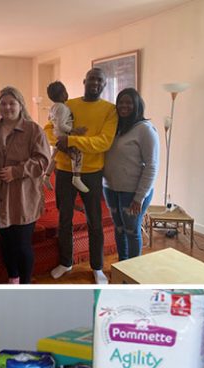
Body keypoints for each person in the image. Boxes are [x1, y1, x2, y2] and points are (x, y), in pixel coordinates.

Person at [45, 68, 117, 284]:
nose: (95, 82)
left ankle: (97, 267)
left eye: (100, 80)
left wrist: (73, 141)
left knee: (94, 221)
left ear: (104, 85)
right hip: (65, 171)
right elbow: (49, 127)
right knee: (64, 219)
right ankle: (66, 262)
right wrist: (58, 141)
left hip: (92, 173)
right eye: (92, 79)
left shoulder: (109, 110)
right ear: (85, 80)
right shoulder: (69, 104)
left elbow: (104, 142)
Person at [0, 87, 50, 284]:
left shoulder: (33, 130)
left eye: (12, 103)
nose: (7, 107)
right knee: (6, 243)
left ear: (20, 105)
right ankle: (13, 278)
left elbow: (43, 161)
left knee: (22, 245)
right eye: (3, 103)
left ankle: (25, 284)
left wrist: (16, 171)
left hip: (23, 198)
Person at [103, 88, 159, 261]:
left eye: (128, 102)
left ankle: (134, 272)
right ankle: (122, 266)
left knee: (131, 231)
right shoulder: (115, 127)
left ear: (137, 106)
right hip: (110, 188)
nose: (124, 106)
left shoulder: (145, 130)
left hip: (133, 192)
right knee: (118, 229)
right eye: (120, 102)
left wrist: (139, 197)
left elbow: (152, 165)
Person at [44, 81, 88, 192]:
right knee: (77, 154)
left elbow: (51, 120)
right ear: (63, 94)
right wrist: (74, 130)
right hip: (63, 136)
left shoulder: (53, 107)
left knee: (54, 157)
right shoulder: (63, 107)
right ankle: (76, 177)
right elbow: (61, 124)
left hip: (56, 135)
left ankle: (46, 176)